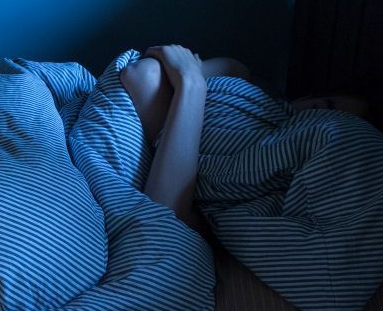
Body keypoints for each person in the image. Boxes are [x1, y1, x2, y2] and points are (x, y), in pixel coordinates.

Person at [120, 45, 367, 228]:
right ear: (307, 97)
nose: (317, 125)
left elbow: (163, 212)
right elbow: (144, 72)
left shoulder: (274, 184)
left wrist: (191, 83)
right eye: (324, 108)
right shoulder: (237, 73)